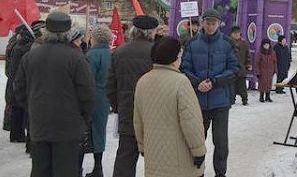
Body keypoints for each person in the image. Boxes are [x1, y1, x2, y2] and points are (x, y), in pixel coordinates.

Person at [14, 11, 96, 177]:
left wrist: (33, 107)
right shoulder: (77, 58)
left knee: (40, 169)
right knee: (65, 170)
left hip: (39, 124)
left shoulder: (31, 56)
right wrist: (82, 118)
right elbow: (87, 93)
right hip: (68, 126)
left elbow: (19, 89)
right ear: (69, 32)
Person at [134, 37, 206, 177]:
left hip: (153, 158)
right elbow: (191, 122)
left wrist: (142, 146)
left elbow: (138, 120)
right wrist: (198, 151)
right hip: (181, 161)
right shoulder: (181, 82)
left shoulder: (143, 81)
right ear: (175, 58)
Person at [181, 9, 239, 177]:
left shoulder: (227, 43)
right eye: (208, 22)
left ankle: (220, 173)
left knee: (221, 142)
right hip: (197, 102)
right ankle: (196, 172)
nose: (211, 26)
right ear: (203, 23)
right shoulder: (192, 44)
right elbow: (184, 69)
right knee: (197, 140)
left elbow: (235, 69)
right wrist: (197, 83)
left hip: (220, 101)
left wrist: (214, 81)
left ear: (219, 24)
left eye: (214, 23)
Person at [107, 15, 159, 177]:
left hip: (128, 110)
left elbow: (110, 85)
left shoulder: (119, 52)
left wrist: (118, 106)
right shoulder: (158, 52)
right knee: (157, 156)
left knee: (125, 156)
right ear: (151, 32)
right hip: (154, 113)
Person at [81, 25, 113, 177]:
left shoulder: (91, 55)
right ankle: (98, 166)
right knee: (100, 131)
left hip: (91, 95)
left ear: (93, 38)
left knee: (85, 130)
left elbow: (87, 79)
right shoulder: (112, 54)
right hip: (105, 97)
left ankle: (78, 166)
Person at [8, 24, 35, 144]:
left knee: (16, 109)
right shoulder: (21, 48)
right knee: (18, 109)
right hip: (18, 81)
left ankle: (15, 134)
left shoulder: (15, 46)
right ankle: (17, 135)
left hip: (14, 81)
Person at [229, 25, 252, 105]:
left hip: (241, 68)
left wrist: (248, 64)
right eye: (234, 33)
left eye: (238, 33)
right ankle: (232, 100)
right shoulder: (228, 42)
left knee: (242, 86)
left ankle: (244, 100)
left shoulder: (244, 43)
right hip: (231, 69)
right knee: (232, 86)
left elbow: (247, 55)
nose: (236, 34)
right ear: (231, 34)